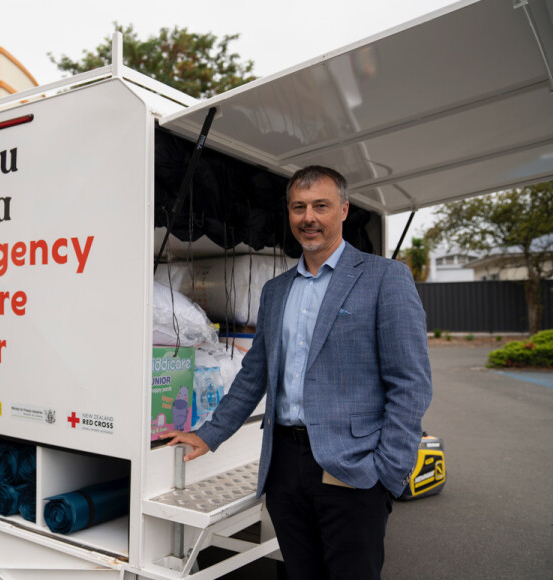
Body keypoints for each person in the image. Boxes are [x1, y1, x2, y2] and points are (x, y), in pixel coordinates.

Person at [162, 165, 432, 580]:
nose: (309, 218)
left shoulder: (384, 279)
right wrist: (208, 434)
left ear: (343, 210)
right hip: (284, 465)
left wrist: (386, 472)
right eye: (298, 207)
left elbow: (410, 384)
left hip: (352, 466)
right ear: (289, 215)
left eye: (320, 206)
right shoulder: (276, 291)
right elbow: (254, 375)